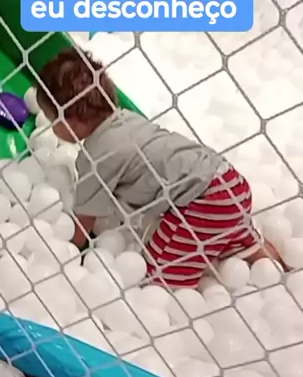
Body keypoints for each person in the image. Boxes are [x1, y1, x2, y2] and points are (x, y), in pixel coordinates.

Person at [35, 47, 284, 288]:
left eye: (51, 119)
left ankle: (190, 282)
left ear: (70, 121)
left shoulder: (96, 156)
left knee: (156, 276)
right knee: (231, 235)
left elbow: (85, 218)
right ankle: (272, 264)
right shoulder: (129, 119)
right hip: (230, 183)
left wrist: (71, 251)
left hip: (204, 202)